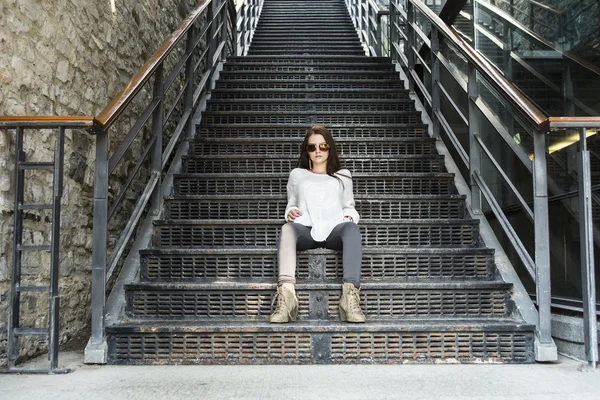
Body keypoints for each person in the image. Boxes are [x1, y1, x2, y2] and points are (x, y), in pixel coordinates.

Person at [270, 125, 366, 323]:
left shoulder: (343, 176)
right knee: (287, 229)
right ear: (306, 150)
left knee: (352, 229)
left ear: (330, 147)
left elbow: (349, 206)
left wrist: (349, 217)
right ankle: (287, 298)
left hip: (334, 230)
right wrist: (291, 213)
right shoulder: (297, 174)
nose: (317, 151)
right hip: (306, 229)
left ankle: (349, 298)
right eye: (312, 147)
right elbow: (291, 205)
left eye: (322, 146)